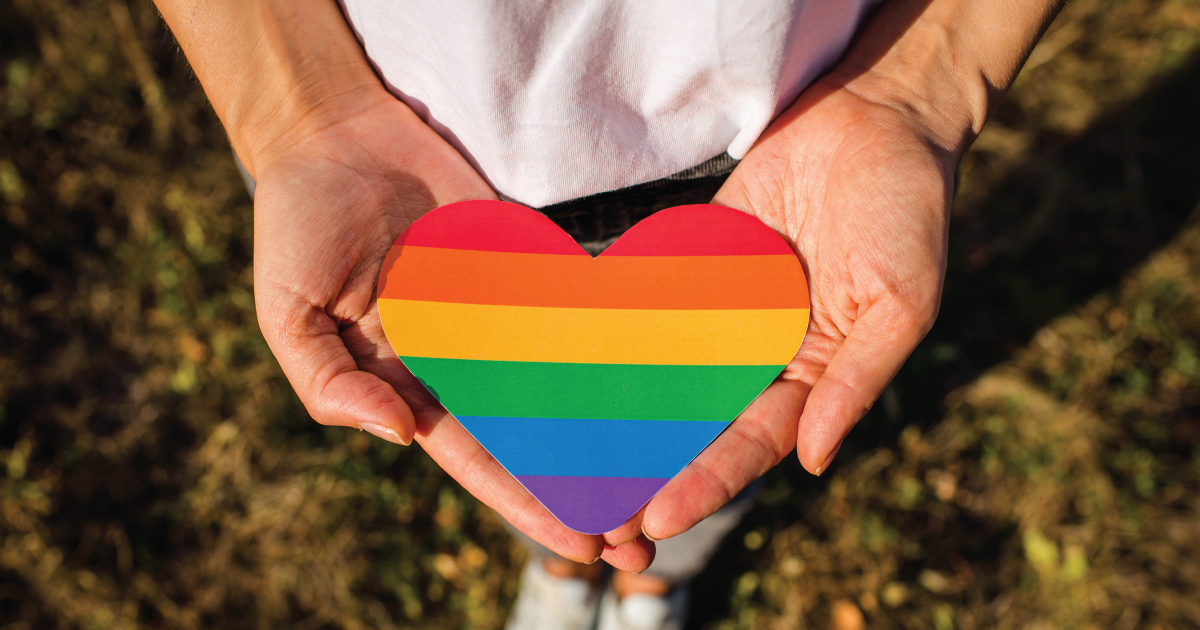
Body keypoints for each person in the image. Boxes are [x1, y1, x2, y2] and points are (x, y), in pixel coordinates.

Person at [154, 0, 1064, 627]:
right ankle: (557, 562)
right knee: (513, 440)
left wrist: (926, 78)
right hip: (389, 158)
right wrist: (293, 105)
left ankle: (655, 580)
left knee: (708, 465)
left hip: (786, 158)